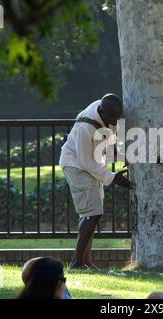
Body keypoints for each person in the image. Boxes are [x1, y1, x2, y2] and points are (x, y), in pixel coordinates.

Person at [60, 93, 134, 270]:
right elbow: (85, 161)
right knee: (92, 213)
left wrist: (127, 157)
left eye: (117, 118)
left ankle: (85, 261)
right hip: (76, 165)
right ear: (101, 111)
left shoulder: (107, 114)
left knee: (90, 212)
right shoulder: (86, 126)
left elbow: (109, 150)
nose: (115, 123)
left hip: (88, 165)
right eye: (112, 119)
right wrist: (113, 178)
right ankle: (77, 262)